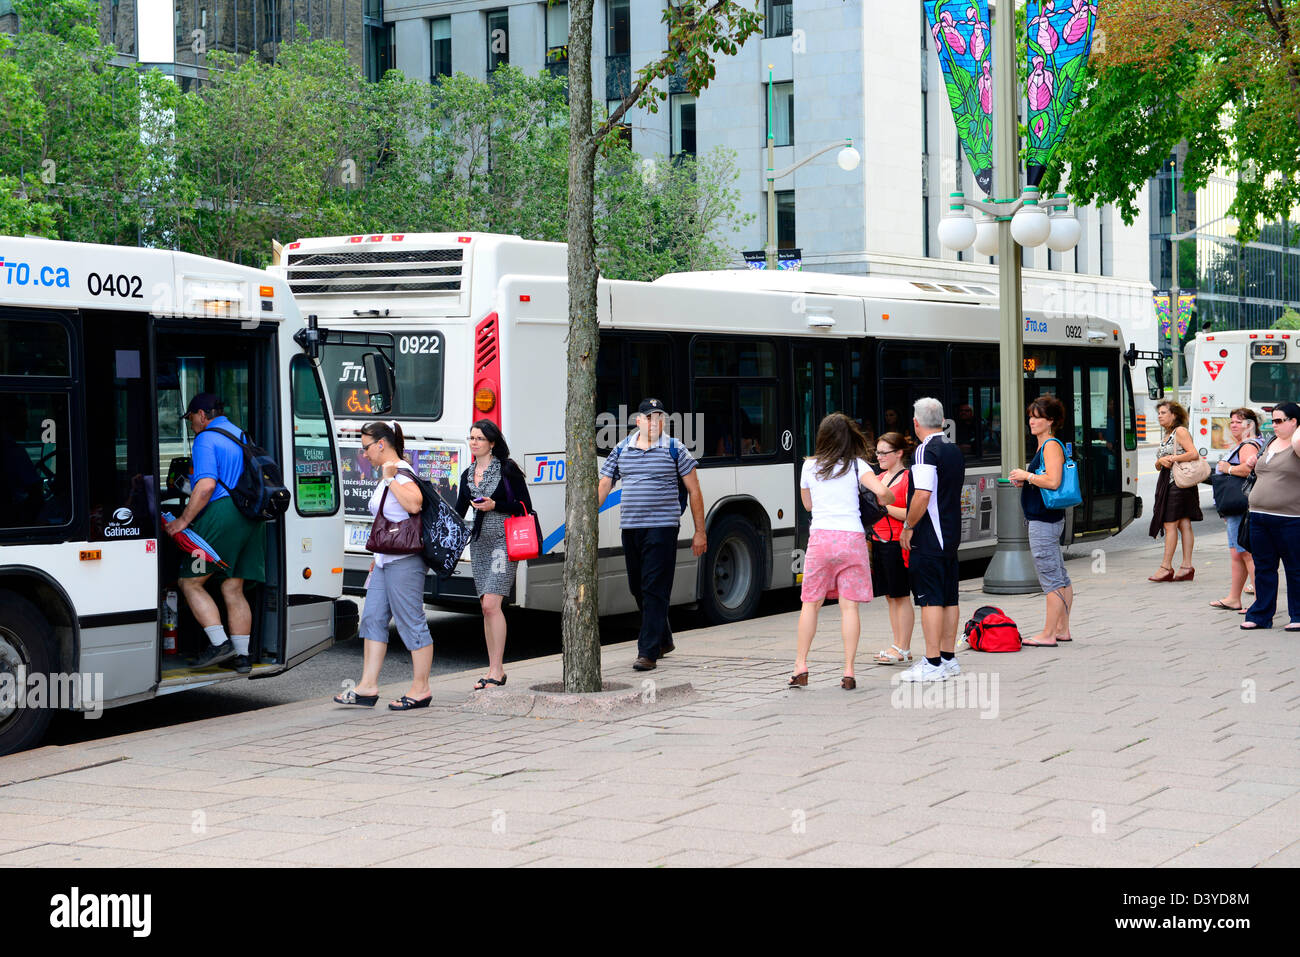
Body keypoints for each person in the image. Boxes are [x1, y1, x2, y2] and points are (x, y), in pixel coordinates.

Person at [598, 398, 706, 671]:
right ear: (638, 421)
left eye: (660, 417)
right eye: (650, 417)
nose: (656, 421)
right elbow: (605, 483)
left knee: (654, 587)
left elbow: (694, 490)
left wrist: (700, 532)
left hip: (663, 527)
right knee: (638, 586)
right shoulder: (622, 449)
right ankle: (664, 637)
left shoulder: (674, 448)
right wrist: (588, 515)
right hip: (631, 528)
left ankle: (648, 652)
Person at [789, 413, 896, 689]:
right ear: (849, 437)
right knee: (849, 607)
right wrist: (887, 497)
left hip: (821, 539)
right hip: (851, 539)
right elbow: (884, 494)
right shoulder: (858, 465)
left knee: (810, 604)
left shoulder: (809, 467)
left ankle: (800, 665)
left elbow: (809, 506)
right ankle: (849, 671)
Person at [332, 421, 433, 710]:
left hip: (405, 560)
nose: (363, 454)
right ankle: (367, 686)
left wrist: (390, 480)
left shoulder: (401, 472)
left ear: (381, 444)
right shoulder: (388, 473)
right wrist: (376, 562)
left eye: (365, 447)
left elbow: (414, 505)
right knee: (373, 618)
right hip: (384, 560)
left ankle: (421, 688)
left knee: (410, 621)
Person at [164, 393, 265, 674]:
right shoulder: (240, 434)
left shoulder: (206, 439)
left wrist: (183, 520)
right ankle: (242, 657)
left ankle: (220, 643)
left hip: (222, 515)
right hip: (250, 517)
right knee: (233, 586)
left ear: (201, 414)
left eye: (191, 419)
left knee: (190, 582)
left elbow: (206, 486)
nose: (191, 425)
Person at [455, 419, 533, 690]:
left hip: (504, 540)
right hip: (479, 545)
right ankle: (492, 669)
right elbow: (458, 512)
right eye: (471, 438)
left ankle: (497, 671)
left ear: (492, 443)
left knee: (491, 604)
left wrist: (495, 504)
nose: (473, 442)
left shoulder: (507, 469)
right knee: (486, 608)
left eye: (478, 438)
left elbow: (524, 506)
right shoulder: (467, 474)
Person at [898, 397, 966, 683]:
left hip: (930, 536)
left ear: (916, 423)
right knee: (950, 597)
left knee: (930, 600)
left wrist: (908, 525)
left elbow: (922, 495)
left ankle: (932, 661)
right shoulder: (953, 450)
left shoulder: (925, 452)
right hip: (950, 535)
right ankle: (949, 659)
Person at [1009, 395, 1074, 647]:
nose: (1031, 421)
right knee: (1060, 575)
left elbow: (1054, 481)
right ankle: (1062, 629)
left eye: (1038, 417)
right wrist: (1026, 479)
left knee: (1050, 578)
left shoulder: (1050, 446)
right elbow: (1045, 477)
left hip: (1043, 521)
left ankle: (1047, 634)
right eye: (1031, 416)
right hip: (1048, 518)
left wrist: (1027, 475)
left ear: (1051, 421)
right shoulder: (1045, 446)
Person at [1241, 402, 1300, 632]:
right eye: (1272, 420)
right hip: (1259, 517)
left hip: (1290, 518)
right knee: (1264, 567)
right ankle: (1261, 615)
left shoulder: (1296, 444)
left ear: (1294, 421)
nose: (1273, 425)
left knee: (1295, 569)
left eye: (1279, 420)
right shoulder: (1270, 441)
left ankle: (1297, 615)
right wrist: (1253, 462)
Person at [1209, 408, 1262, 612]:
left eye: (1239, 422)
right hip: (1235, 508)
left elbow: (1250, 470)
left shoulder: (1249, 445)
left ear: (1250, 425)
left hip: (1240, 507)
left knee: (1246, 553)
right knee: (1237, 553)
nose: (1233, 425)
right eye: (1231, 421)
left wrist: (1227, 468)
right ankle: (1234, 598)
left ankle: (1259, 600)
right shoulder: (1245, 444)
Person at [870, 431, 916, 665]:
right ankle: (897, 644)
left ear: (899, 453)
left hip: (898, 542)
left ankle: (904, 647)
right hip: (879, 540)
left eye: (884, 452)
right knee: (890, 596)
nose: (879, 457)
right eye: (877, 452)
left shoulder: (907, 478)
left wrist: (883, 508)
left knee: (900, 596)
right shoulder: (878, 479)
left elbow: (910, 512)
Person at [1147, 400, 1202, 581]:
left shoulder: (1180, 431)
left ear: (1174, 415)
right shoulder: (1167, 435)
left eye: (1163, 412)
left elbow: (1193, 453)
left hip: (1178, 484)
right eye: (1159, 413)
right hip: (1169, 483)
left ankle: (1166, 567)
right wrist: (1159, 461)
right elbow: (1159, 465)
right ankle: (1186, 567)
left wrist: (1172, 457)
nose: (1160, 416)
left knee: (1170, 524)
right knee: (1183, 523)